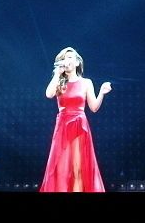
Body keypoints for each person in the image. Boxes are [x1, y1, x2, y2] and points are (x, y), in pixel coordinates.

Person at [39, 46, 111, 192]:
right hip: (63, 126)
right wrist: (57, 74)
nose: (67, 60)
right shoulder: (60, 82)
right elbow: (48, 94)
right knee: (61, 168)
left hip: (79, 126)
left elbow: (94, 107)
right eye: (64, 58)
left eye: (70, 57)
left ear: (77, 62)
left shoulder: (86, 82)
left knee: (78, 168)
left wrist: (102, 93)